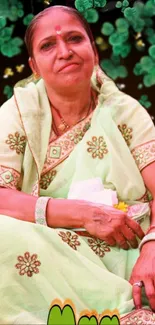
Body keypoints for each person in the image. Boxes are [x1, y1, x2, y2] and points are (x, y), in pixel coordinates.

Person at [0, 5, 155, 324]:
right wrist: (85, 214)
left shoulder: (125, 112)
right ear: (34, 66)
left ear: (93, 52)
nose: (65, 51)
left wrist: (152, 249)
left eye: (74, 39)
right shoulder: (18, 113)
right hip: (46, 246)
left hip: (127, 249)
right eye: (48, 45)